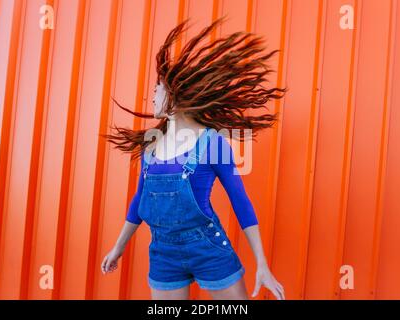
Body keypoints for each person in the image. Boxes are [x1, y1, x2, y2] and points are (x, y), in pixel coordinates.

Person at [100, 17, 288, 300]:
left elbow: (240, 201)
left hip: (207, 250)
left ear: (175, 95)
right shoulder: (151, 145)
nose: (152, 95)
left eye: (157, 89)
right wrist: (118, 247)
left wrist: (262, 262)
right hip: (163, 254)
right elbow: (140, 200)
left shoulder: (212, 143)